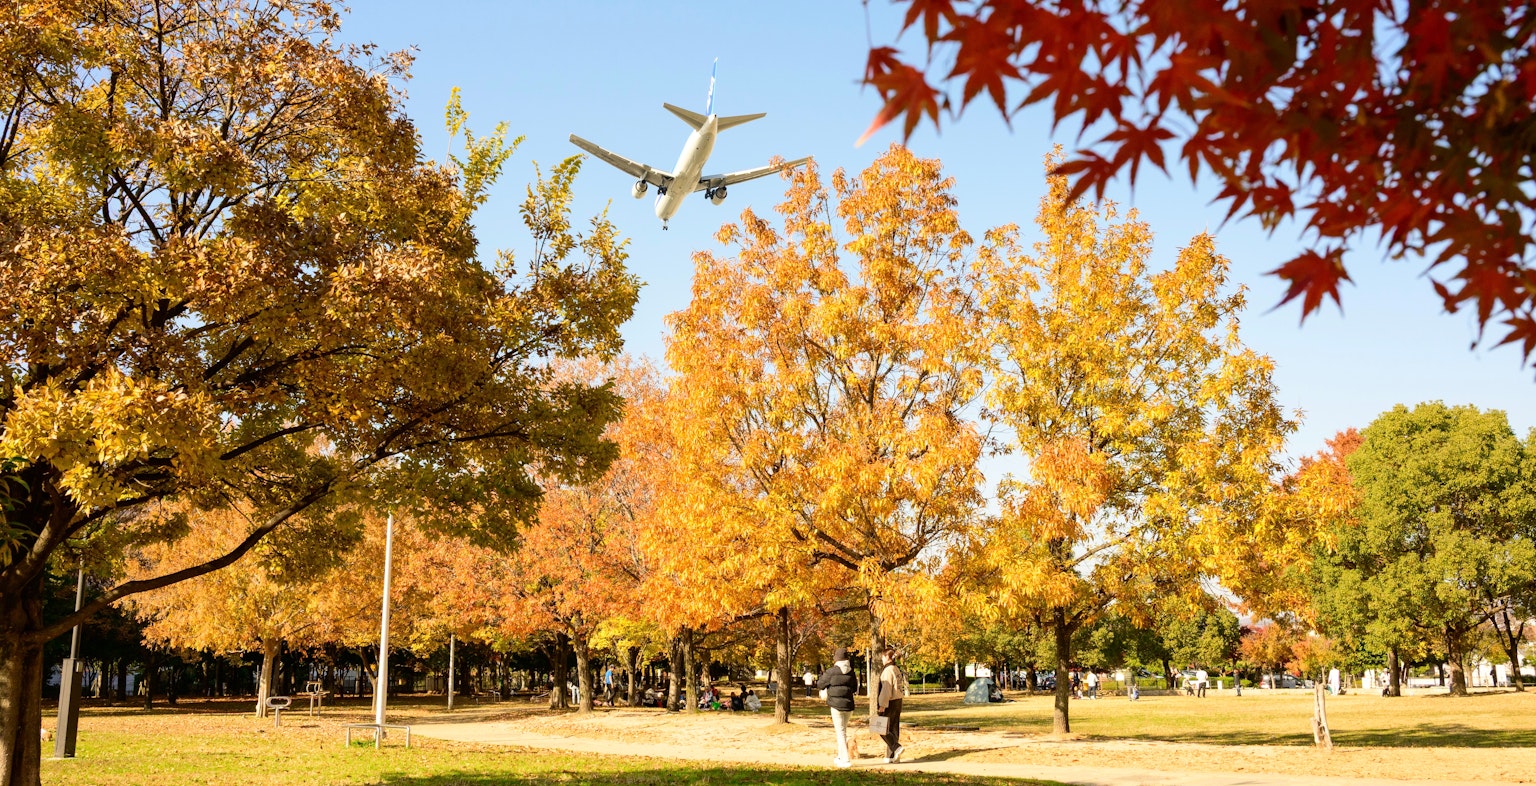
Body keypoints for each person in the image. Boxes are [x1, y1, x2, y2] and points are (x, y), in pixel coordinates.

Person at [816, 647, 860, 768]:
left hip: (836, 705)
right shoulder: (851, 672)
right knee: (843, 730)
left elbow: (820, 684)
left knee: (840, 732)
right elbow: (855, 688)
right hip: (849, 706)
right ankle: (840, 756)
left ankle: (845, 760)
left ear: (836, 659)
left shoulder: (831, 671)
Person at [875, 646, 907, 764]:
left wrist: (882, 704)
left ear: (887, 657)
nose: (882, 659)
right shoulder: (896, 669)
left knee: (880, 728)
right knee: (893, 729)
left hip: (890, 702)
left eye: (883, 657)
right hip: (898, 700)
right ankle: (892, 756)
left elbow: (886, 689)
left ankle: (896, 747)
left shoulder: (887, 671)